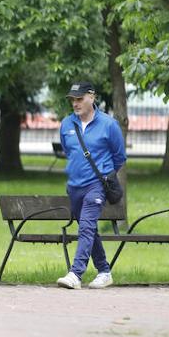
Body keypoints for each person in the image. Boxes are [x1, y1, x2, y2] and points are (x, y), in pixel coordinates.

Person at [55, 81, 126, 289]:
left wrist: (103, 173)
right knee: (89, 229)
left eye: (80, 99)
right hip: (74, 186)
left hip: (96, 186)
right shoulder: (67, 124)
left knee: (86, 226)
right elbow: (70, 152)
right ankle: (104, 271)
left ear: (92, 97)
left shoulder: (109, 125)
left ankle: (76, 274)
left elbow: (119, 157)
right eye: (73, 100)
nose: (75, 104)